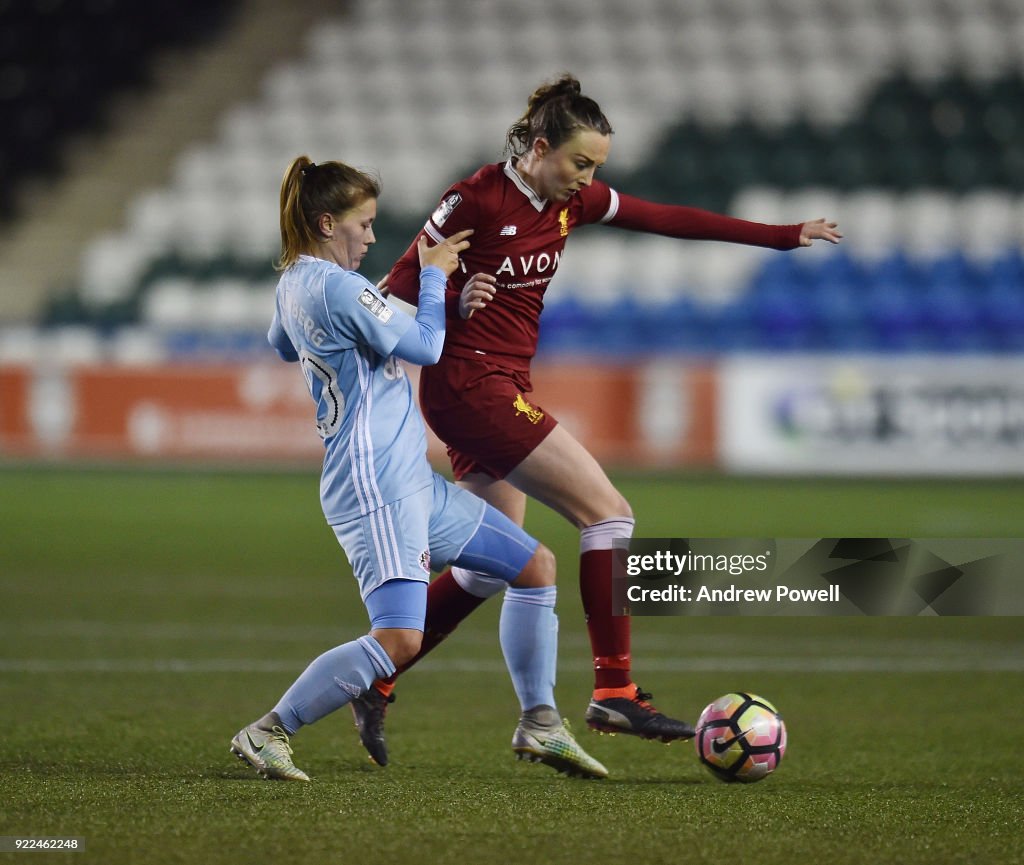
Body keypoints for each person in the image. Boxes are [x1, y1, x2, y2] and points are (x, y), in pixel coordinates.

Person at [348, 74, 842, 763]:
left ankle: (376, 673)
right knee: (609, 514)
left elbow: (667, 217)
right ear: (540, 147)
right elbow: (392, 288)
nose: (587, 179)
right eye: (579, 163)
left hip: (497, 382)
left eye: (596, 168)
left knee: (496, 564)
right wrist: (453, 294)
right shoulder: (477, 198)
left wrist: (783, 236)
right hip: (471, 386)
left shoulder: (567, 203)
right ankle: (614, 690)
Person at [230, 155, 608, 781]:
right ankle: (269, 730)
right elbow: (427, 349)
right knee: (399, 640)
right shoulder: (338, 286)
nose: (373, 237)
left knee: (535, 566)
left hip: (410, 481)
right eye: (365, 224)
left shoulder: (295, 281)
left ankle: (540, 723)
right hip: (376, 484)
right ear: (328, 223)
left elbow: (280, 341)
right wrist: (434, 280)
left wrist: (426, 309)